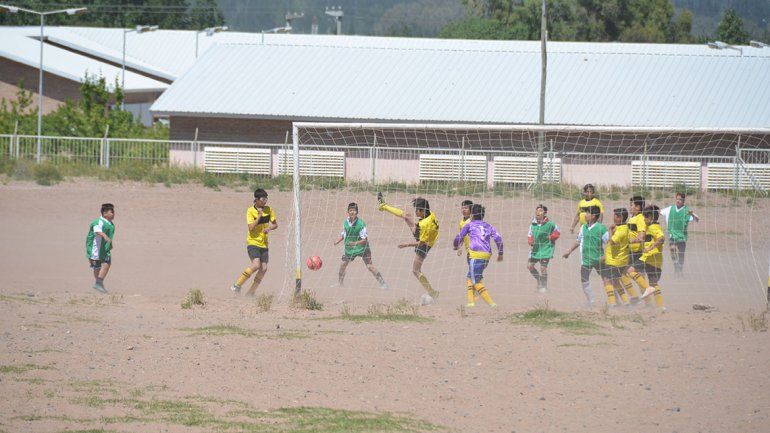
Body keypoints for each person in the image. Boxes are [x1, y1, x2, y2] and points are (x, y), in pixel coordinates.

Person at [378, 192, 440, 302]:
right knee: (407, 216)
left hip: (425, 244)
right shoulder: (429, 213)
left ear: (423, 210)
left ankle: (432, 292)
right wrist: (418, 198)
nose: (416, 212)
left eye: (417, 210)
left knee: (415, 271)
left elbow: (421, 242)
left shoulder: (425, 224)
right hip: (427, 236)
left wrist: (405, 245)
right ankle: (383, 206)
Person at [453, 204, 503, 307]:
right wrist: (500, 252)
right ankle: (471, 302)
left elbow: (459, 237)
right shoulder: (488, 226)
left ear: (472, 214)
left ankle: (491, 303)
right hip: (487, 255)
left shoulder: (469, 225)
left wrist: (456, 245)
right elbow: (498, 238)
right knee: (469, 277)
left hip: (475, 255)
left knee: (475, 281)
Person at [231, 188, 277, 296]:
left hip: (264, 244)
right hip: (253, 243)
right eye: (263, 199)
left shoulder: (269, 209)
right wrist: (259, 216)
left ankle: (251, 292)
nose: (265, 201)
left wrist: (269, 228)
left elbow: (275, 224)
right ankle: (237, 285)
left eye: (266, 198)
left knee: (264, 268)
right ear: (256, 200)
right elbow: (251, 227)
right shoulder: (250, 211)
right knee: (256, 265)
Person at [333, 202, 388, 289]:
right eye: (350, 210)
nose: (352, 212)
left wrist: (354, 243)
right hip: (350, 249)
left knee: (370, 266)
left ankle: (383, 283)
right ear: (348, 211)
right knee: (342, 265)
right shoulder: (345, 222)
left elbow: (364, 240)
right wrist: (337, 241)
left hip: (363, 249)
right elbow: (344, 234)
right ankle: (340, 284)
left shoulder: (361, 224)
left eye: (354, 210)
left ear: (357, 212)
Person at [562, 206, 608, 307]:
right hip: (586, 260)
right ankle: (591, 302)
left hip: (599, 259)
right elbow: (578, 241)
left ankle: (613, 301)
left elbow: (610, 243)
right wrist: (569, 251)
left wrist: (606, 256)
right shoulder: (583, 227)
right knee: (584, 279)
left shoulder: (601, 228)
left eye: (587, 213)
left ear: (594, 216)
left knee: (606, 279)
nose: (585, 215)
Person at [660, 192, 700, 275]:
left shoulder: (686, 211)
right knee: (672, 248)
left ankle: (679, 270)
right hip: (672, 235)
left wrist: (692, 213)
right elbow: (659, 212)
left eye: (680, 200)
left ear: (683, 201)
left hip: (682, 237)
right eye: (677, 199)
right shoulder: (670, 209)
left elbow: (697, 219)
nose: (678, 201)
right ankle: (676, 266)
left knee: (681, 254)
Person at [527, 204, 560, 293]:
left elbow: (557, 231)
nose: (538, 212)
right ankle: (539, 280)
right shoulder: (532, 224)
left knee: (543, 268)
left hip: (546, 249)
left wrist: (552, 237)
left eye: (540, 210)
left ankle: (544, 286)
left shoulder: (550, 224)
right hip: (536, 249)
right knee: (529, 266)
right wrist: (530, 241)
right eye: (537, 210)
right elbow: (530, 235)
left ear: (545, 213)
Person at [639, 205, 666, 310]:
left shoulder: (653, 227)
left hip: (651, 258)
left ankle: (649, 292)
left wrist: (650, 247)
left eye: (645, 216)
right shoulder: (650, 227)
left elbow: (661, 238)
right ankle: (660, 307)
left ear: (650, 217)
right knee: (653, 283)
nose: (644, 219)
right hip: (653, 259)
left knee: (631, 270)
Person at [86, 203, 115, 293]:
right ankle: (98, 283)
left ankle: (98, 283)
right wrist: (104, 236)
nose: (114, 214)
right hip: (95, 249)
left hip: (104, 249)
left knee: (107, 263)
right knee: (97, 267)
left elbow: (109, 236)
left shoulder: (110, 224)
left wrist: (110, 243)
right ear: (105, 213)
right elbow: (97, 230)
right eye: (112, 212)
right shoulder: (98, 221)